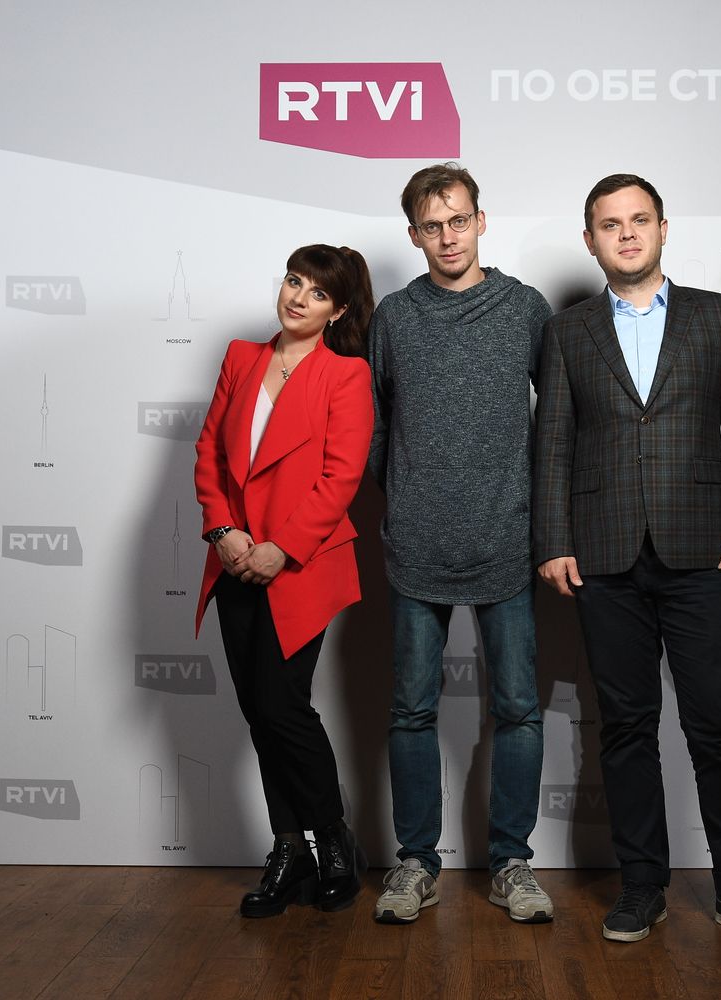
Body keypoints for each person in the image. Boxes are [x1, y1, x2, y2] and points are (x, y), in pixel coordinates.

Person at [533, 174, 721, 948]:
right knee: (625, 729)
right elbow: (553, 442)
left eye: (639, 219)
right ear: (590, 240)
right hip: (604, 553)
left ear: (662, 228)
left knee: (719, 727)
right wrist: (553, 539)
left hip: (702, 549)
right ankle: (641, 887)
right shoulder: (568, 331)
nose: (626, 233)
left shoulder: (719, 317)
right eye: (610, 223)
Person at [367, 163, 554, 925]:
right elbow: (377, 427)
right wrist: (403, 498)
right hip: (416, 543)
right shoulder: (394, 316)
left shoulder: (526, 309)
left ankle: (511, 862)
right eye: (431, 226)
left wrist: (541, 517)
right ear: (413, 235)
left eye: (458, 221)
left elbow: (559, 423)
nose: (447, 237)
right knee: (411, 711)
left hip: (507, 538)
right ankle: (416, 863)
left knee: (519, 710)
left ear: (480, 221)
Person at [194, 244, 375, 917]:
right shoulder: (242, 357)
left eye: (318, 292)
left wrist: (281, 548)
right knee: (259, 711)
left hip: (301, 564)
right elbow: (209, 452)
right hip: (234, 558)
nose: (298, 298)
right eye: (294, 281)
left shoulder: (346, 374)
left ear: (339, 311)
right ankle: (291, 846)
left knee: (280, 706)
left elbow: (341, 477)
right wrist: (223, 530)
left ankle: (332, 841)